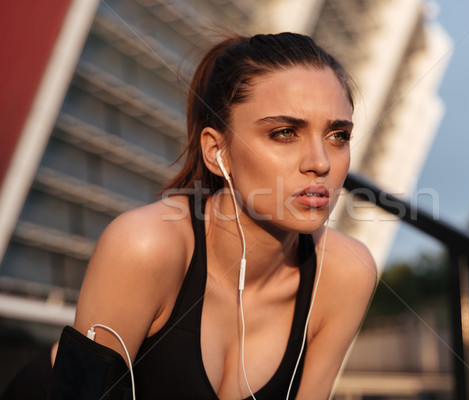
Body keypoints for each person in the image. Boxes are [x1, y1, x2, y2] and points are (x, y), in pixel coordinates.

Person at [46, 32, 377, 399]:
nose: (320, 162)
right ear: (216, 150)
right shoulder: (146, 247)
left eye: (338, 135)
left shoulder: (345, 272)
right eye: (285, 132)